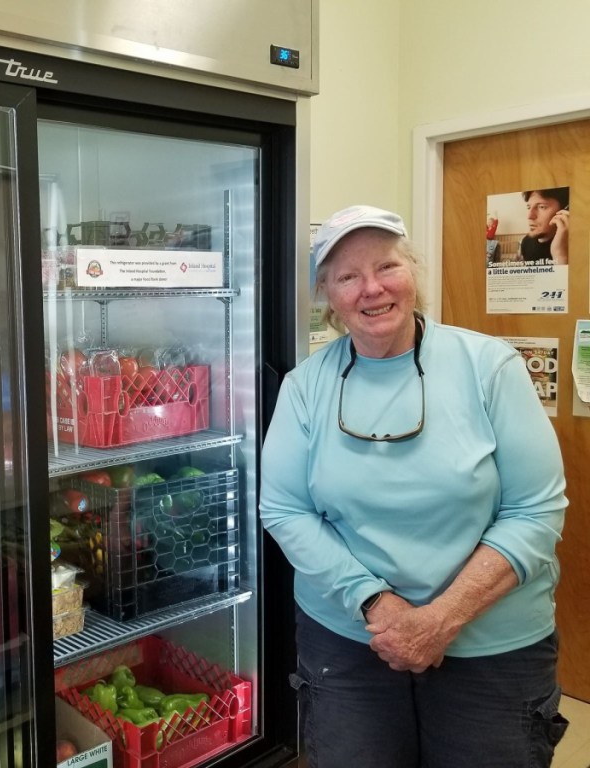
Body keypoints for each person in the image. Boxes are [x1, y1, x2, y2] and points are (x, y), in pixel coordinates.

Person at [261, 204, 569, 767]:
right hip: (349, 642)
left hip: (491, 647)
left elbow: (536, 511)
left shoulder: (490, 367)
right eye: (347, 276)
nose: (371, 289)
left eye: (387, 267)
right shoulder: (305, 387)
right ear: (327, 294)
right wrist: (376, 603)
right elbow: (284, 509)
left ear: (414, 272)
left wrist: (439, 620)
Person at [520, 187, 569, 264]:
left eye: (542, 207)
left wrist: (560, 256)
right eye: (529, 207)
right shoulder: (526, 242)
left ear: (564, 211)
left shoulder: (575, 246)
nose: (530, 216)